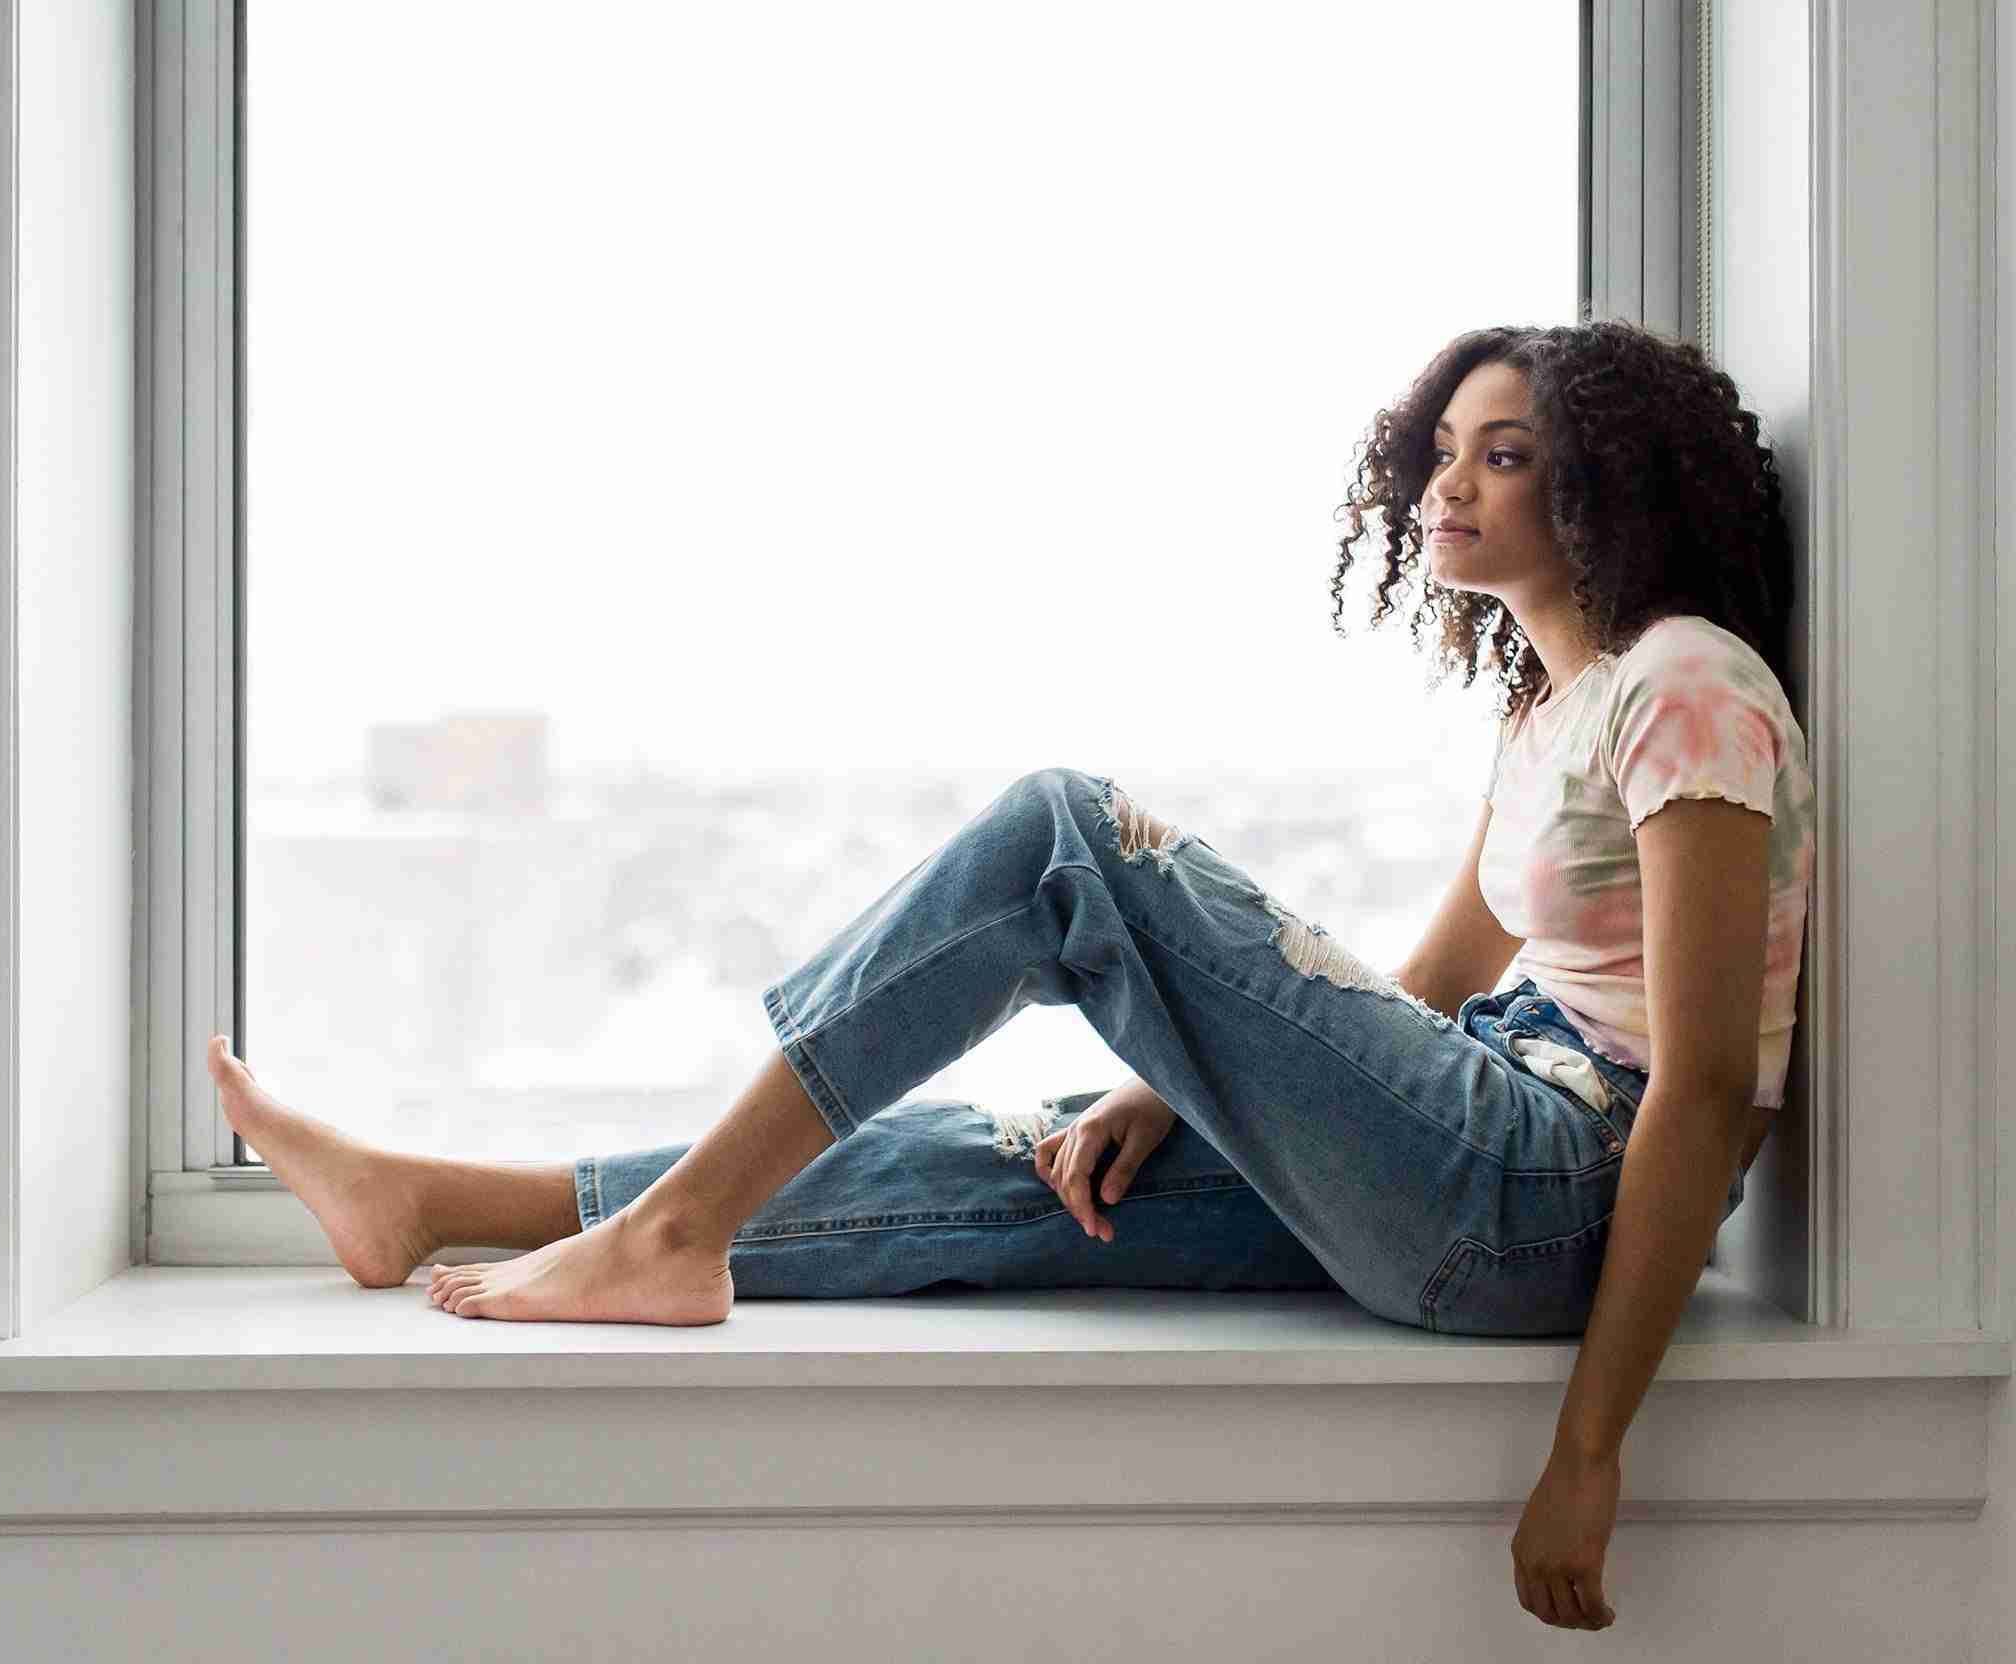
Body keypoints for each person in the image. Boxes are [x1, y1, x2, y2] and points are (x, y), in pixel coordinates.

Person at [208, 317, 1812, 1631]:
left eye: (1504, 456)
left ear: (1603, 488)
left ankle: (676, 1232)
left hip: (1548, 1192)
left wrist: (1591, 1448)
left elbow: (1700, 1091)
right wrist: (1180, 1077)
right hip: (1479, 1157)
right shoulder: (1549, 714)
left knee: (1067, 834)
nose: (1449, 483)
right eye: (1445, 448)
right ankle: (441, 1202)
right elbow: (1435, 986)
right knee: (1042, 1160)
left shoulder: (1686, 686)